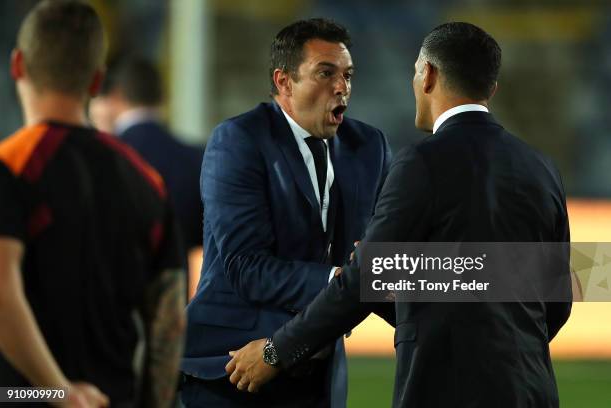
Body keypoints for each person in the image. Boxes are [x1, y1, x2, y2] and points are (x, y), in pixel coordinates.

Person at [226, 22, 573, 408]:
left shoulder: (422, 163)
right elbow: (558, 299)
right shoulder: (542, 169)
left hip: (444, 391)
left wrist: (276, 352)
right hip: (534, 390)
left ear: (429, 75)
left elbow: (364, 279)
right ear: (491, 88)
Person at [181, 18, 392, 408]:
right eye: (325, 73)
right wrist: (342, 280)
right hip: (232, 368)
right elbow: (246, 265)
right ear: (284, 82)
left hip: (317, 369)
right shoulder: (239, 141)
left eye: (348, 75)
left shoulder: (369, 147)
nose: (341, 86)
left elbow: (378, 255)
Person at [0, 1, 185, 407]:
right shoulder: (146, 181)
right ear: (97, 79)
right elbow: (168, 319)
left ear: (17, 65)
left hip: (19, 397)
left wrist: (58, 392)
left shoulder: (9, 166)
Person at [89, 57, 204, 297]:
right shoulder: (197, 158)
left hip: (113, 306)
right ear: (162, 99)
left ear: (117, 96)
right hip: (175, 306)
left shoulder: (101, 159)